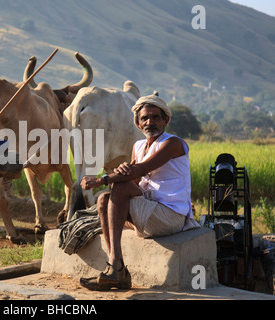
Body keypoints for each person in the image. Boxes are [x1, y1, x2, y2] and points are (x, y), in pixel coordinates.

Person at [79, 92, 199, 291]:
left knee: (118, 188)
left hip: (170, 216)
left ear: (165, 120)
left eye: (155, 117)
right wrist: (123, 171)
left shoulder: (173, 143)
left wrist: (102, 179)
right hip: (149, 211)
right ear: (138, 123)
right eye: (144, 118)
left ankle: (116, 269)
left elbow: (141, 170)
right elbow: (133, 177)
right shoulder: (139, 145)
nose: (150, 122)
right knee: (102, 200)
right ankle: (116, 267)